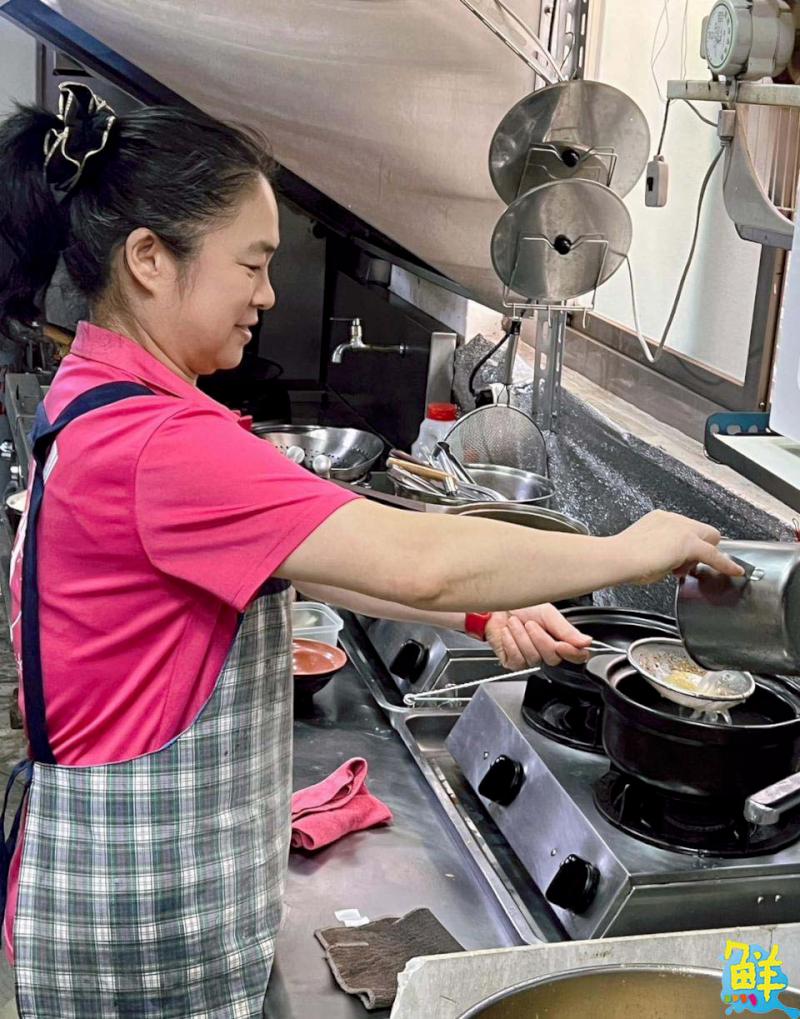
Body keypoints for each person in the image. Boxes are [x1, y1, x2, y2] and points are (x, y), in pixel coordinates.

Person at [0, 83, 741, 1019]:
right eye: (252, 264)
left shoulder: (111, 394)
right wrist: (632, 547)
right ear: (149, 259)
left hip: (121, 873)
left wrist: (481, 611)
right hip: (142, 911)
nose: (268, 294)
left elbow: (301, 559)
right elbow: (414, 556)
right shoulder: (160, 446)